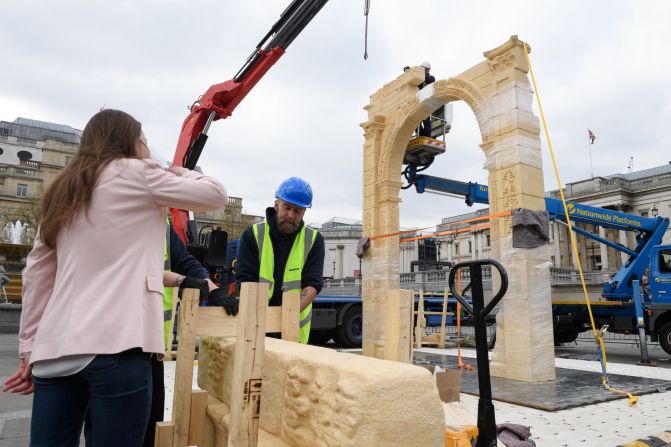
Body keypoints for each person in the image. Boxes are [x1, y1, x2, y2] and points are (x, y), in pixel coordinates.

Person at [2, 109, 228, 446]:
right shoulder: (137, 172)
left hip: (54, 352)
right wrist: (172, 168)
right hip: (117, 346)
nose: (147, 148)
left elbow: (37, 276)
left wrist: (29, 348)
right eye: (145, 141)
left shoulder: (63, 188)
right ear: (131, 143)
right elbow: (215, 194)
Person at [235, 177, 325, 344]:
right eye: (287, 208)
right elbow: (245, 280)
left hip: (293, 331)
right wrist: (264, 319)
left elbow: (312, 284)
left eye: (298, 211)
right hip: (257, 326)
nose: (291, 215)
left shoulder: (313, 240)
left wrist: (287, 316)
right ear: (277, 205)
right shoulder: (253, 234)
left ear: (304, 212)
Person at [418, 60, 436, 137]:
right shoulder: (419, 78)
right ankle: (421, 135)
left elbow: (428, 80)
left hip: (426, 103)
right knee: (415, 122)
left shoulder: (431, 78)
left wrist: (420, 72)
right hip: (417, 103)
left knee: (426, 119)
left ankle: (427, 136)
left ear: (428, 70)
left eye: (425, 69)